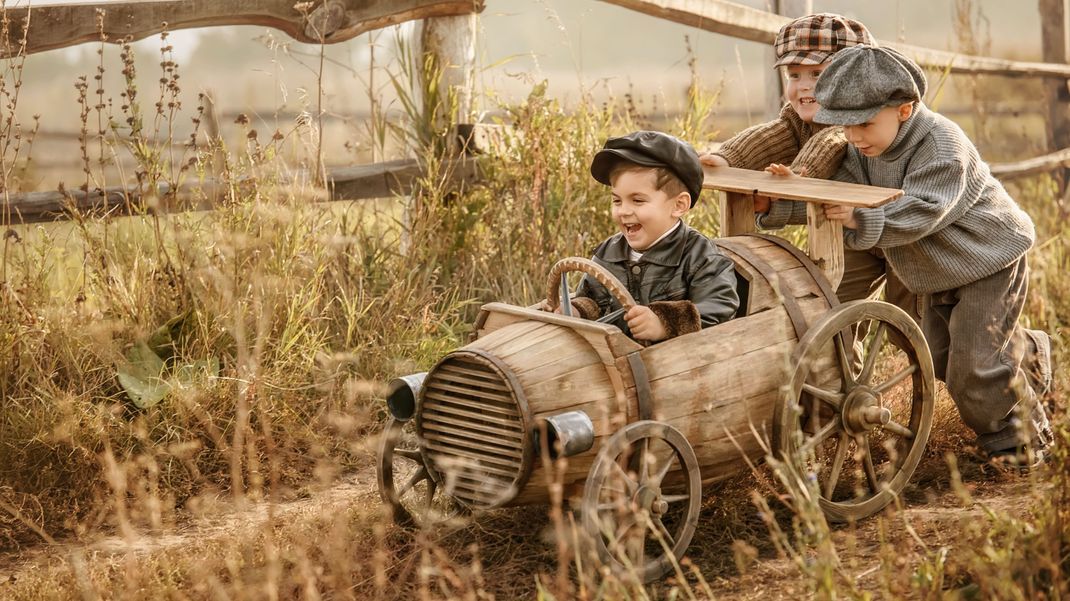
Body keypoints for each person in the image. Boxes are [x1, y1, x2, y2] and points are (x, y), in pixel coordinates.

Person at [813, 45, 1054, 467]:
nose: (853, 137)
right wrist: (775, 207)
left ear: (904, 110)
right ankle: (1027, 351)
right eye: (845, 127)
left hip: (988, 259)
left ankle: (1021, 443)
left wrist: (861, 219)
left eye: (864, 124)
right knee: (939, 360)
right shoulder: (862, 150)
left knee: (973, 370)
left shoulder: (941, 143)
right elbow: (837, 196)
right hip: (937, 270)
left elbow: (926, 208)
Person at [700, 13, 919, 325]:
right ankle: (841, 370)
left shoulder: (859, 118)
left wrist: (800, 177)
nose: (803, 87)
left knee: (913, 316)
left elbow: (830, 143)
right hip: (851, 232)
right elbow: (769, 136)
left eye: (817, 74)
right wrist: (726, 158)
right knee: (832, 309)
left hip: (901, 231)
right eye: (794, 75)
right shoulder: (797, 120)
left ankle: (939, 366)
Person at [564, 130, 739, 342]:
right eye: (617, 201)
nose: (624, 211)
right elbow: (591, 298)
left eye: (637, 201)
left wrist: (664, 324)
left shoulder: (701, 257)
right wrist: (577, 311)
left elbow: (721, 307)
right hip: (617, 364)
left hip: (677, 366)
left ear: (678, 205)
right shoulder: (609, 253)